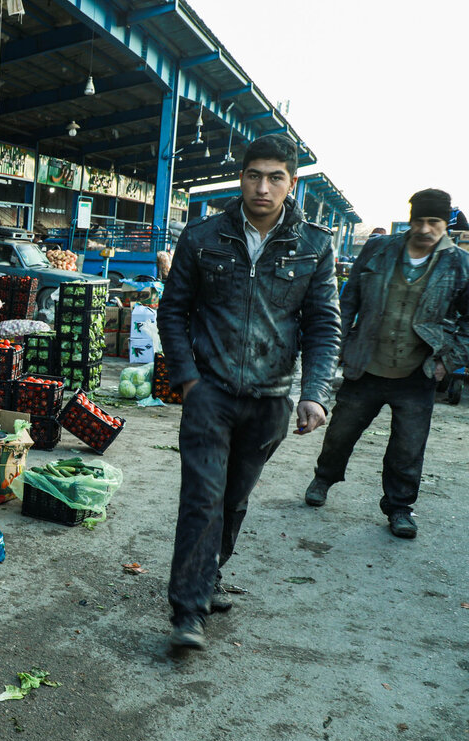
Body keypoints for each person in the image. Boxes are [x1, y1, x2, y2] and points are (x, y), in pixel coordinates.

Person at [156, 134, 341, 651]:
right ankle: (188, 611)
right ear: (240, 178)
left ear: (291, 182)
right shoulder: (204, 236)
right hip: (210, 392)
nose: (263, 187)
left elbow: (323, 324)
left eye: (275, 177)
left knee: (233, 500)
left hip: (270, 398)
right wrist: (187, 378)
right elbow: (173, 311)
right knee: (203, 498)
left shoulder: (314, 245)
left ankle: (207, 574)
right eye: (254, 175)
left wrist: (315, 392)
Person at [304, 189, 469, 539]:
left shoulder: (459, 264)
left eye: (434, 222)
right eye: (420, 221)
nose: (426, 229)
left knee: (408, 447)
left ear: (446, 225)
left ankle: (399, 508)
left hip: (417, 372)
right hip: (365, 364)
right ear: (410, 220)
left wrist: (447, 359)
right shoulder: (378, 249)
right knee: (340, 432)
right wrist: (340, 344)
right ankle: (324, 478)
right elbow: (347, 302)